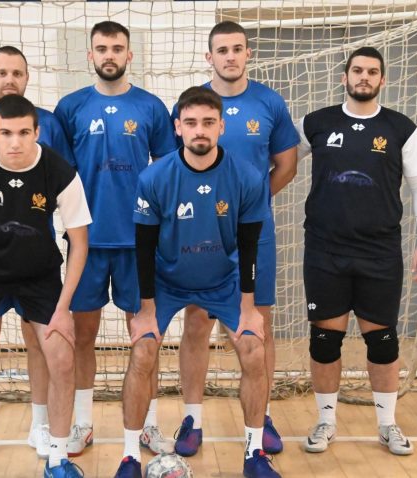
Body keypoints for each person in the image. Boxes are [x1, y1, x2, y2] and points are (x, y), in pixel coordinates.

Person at [113, 86, 279, 478]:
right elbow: (143, 247)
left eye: (208, 122)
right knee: (142, 353)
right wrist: (147, 311)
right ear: (178, 128)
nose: (199, 131)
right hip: (167, 283)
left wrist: (248, 309)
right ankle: (129, 457)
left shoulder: (247, 177)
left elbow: (250, 246)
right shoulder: (155, 177)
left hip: (222, 281)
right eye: (191, 123)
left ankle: (255, 453)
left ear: (221, 126)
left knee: (254, 348)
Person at [0, 95, 91, 477]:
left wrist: (63, 309)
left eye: (24, 132)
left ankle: (58, 458)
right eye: (5, 133)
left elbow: (79, 242)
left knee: (61, 356)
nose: (15, 142)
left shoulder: (60, 171)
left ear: (37, 133)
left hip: (38, 276)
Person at [297, 46, 417, 456]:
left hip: (379, 252)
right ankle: (325, 422)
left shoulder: (401, 128)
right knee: (324, 340)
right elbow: (279, 160)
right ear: (344, 77)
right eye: (357, 70)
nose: (364, 77)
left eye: (372, 72)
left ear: (382, 80)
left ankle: (388, 424)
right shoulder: (316, 123)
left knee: (384, 342)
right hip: (325, 250)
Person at [171, 21, 299, 457]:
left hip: (252, 235)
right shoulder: (193, 105)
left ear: (248, 54)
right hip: (197, 236)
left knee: (258, 324)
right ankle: (193, 419)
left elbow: (286, 164)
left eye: (237, 49)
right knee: (196, 323)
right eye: (221, 50)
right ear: (209, 57)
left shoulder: (269, 102)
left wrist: (250, 206)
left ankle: (261, 419)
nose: (230, 56)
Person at [54, 21, 177, 457]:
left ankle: (149, 425)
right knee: (82, 335)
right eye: (102, 48)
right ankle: (84, 423)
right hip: (86, 242)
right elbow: (60, 178)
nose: (110, 54)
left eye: (117, 48)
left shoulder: (151, 107)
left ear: (130, 54)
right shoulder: (70, 108)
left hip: (138, 243)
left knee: (147, 335)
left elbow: (168, 173)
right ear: (90, 55)